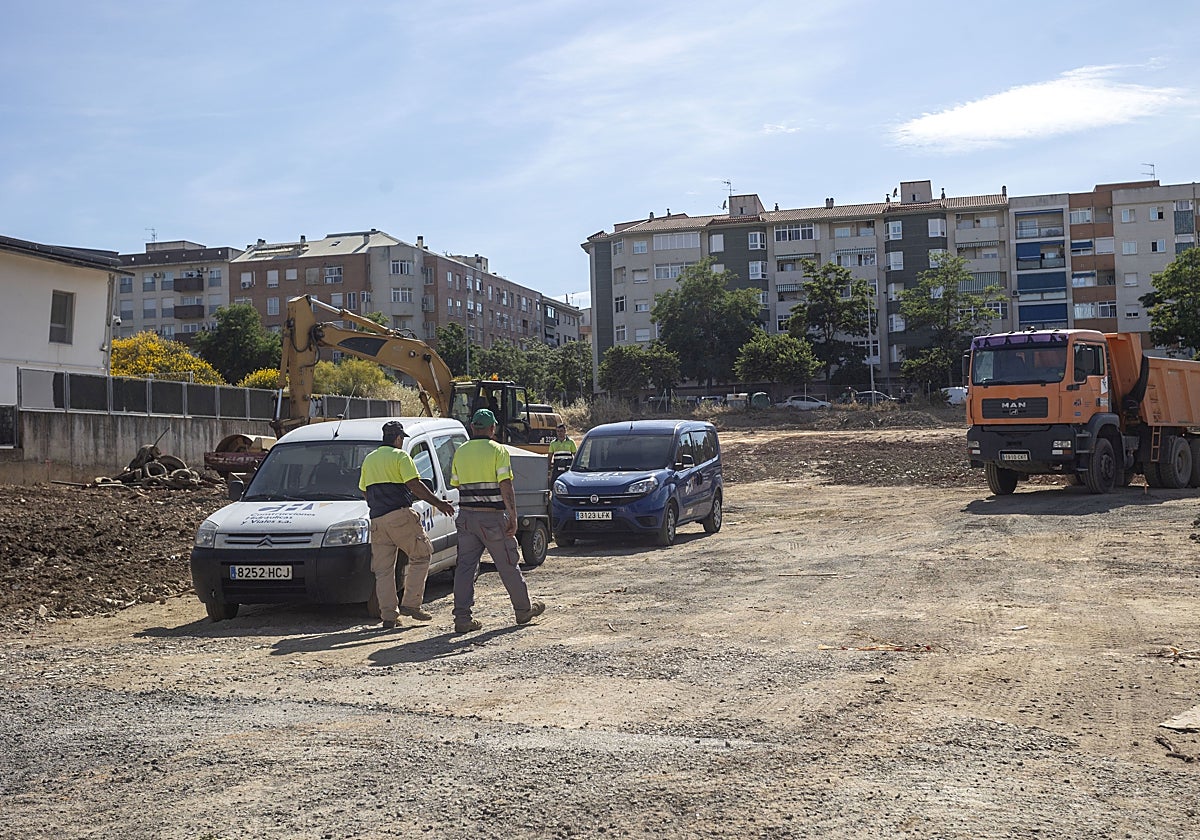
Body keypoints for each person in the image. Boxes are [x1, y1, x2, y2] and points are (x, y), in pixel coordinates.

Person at [449, 408, 545, 633]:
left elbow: (455, 483)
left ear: (473, 428)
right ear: (492, 429)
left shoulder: (460, 452)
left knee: (464, 568)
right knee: (508, 565)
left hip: (466, 517)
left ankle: (462, 618)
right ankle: (523, 610)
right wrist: (513, 515)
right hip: (492, 518)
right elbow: (505, 485)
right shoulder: (498, 451)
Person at [358, 420, 455, 630]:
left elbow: (364, 490)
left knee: (384, 571)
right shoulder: (401, 456)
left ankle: (389, 617)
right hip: (399, 516)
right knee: (422, 554)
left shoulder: (370, 459)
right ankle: (411, 604)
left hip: (377, 520)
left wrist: (378, 505)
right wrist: (438, 503)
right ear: (398, 438)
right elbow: (414, 484)